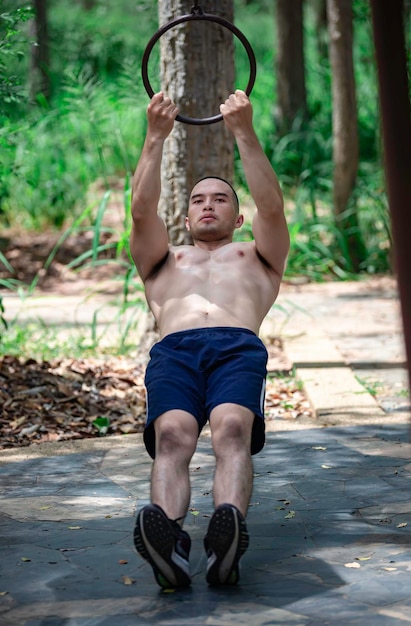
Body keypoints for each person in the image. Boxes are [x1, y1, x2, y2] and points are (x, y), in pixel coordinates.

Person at [130, 89, 290, 589]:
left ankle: (225, 541)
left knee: (231, 430)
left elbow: (272, 203)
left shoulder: (257, 254)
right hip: (174, 352)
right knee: (172, 436)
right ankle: (171, 546)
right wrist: (155, 137)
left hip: (236, 349)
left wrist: (243, 129)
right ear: (184, 217)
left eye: (220, 198)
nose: (207, 205)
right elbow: (140, 210)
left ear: (238, 218)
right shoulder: (164, 258)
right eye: (198, 199)